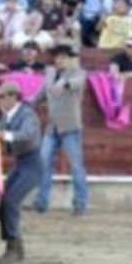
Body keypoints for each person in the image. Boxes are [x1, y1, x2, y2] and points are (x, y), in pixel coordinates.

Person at [30, 43, 88, 216]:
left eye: (63, 57)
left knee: (76, 166)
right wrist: (25, 104)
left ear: (70, 59)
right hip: (52, 127)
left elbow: (75, 83)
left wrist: (65, 83)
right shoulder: (50, 74)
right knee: (43, 163)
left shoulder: (78, 73)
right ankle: (41, 202)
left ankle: (80, 203)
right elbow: (40, 94)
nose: (59, 60)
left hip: (70, 126)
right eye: (57, 57)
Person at [0, 82, 42, 264]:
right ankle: (15, 247)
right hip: (20, 164)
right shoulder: (7, 116)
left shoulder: (28, 115)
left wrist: (3, 135)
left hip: (33, 165)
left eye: (2, 97)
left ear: (13, 97)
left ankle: (12, 249)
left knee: (11, 202)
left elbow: (26, 135)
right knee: (4, 205)